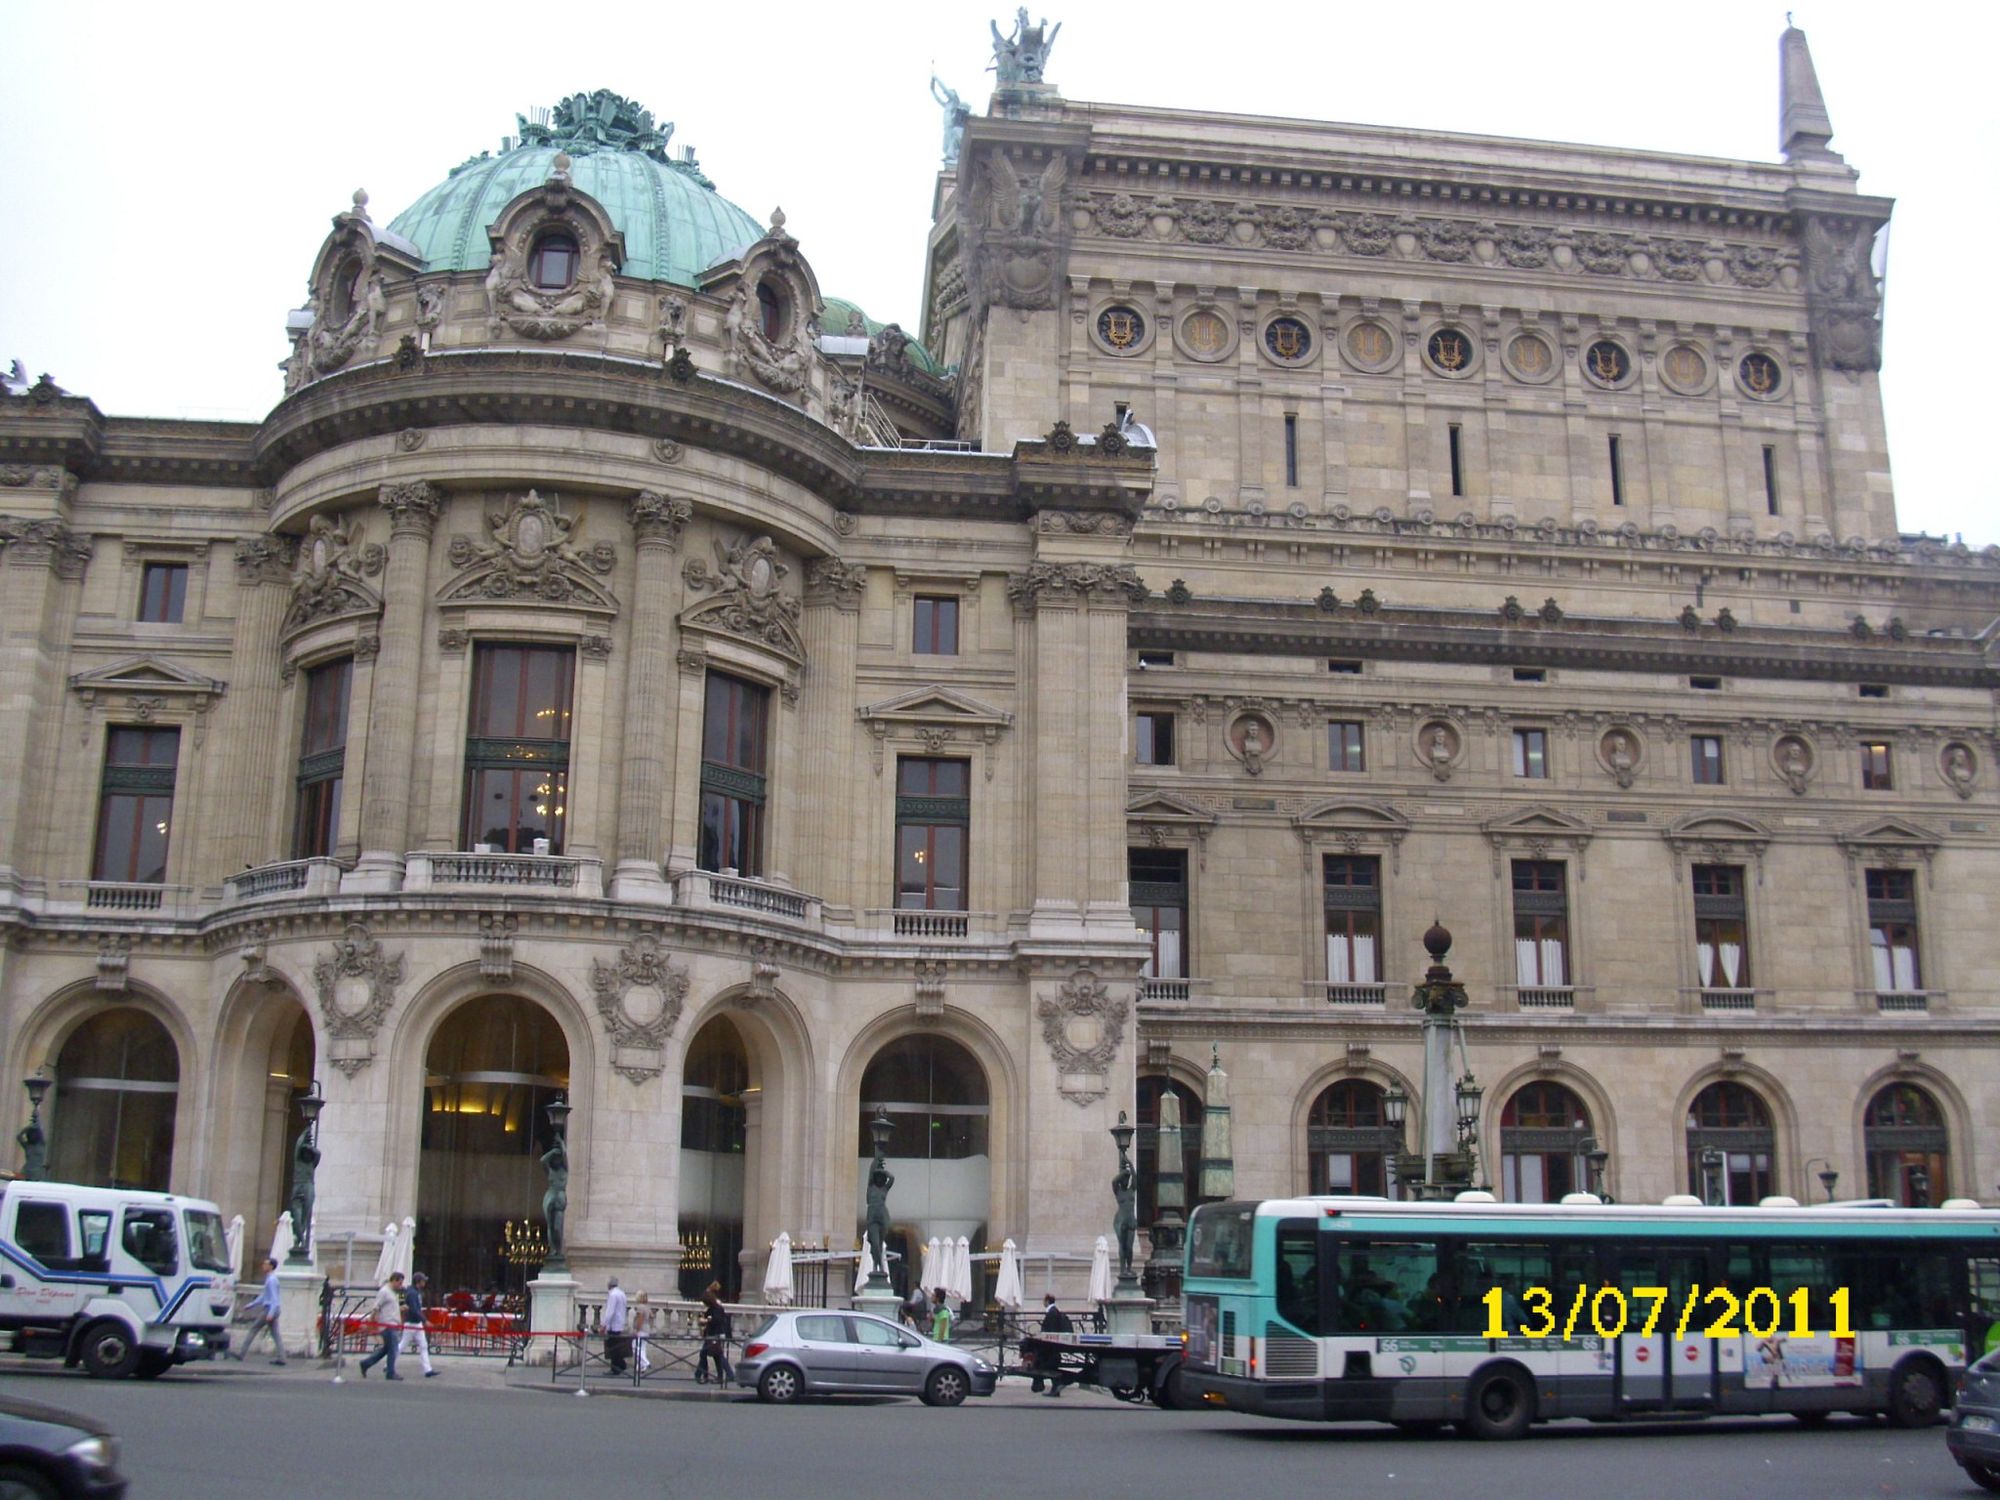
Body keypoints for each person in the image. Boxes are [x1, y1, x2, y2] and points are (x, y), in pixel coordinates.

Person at [232, 1257, 286, 1364]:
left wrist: (270, 1313)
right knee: (275, 1334)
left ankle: (241, 1353)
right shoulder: (271, 1279)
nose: (263, 1266)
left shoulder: (271, 1280)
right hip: (273, 1309)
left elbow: (274, 1298)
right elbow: (264, 1296)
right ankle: (282, 1357)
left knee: (254, 1329)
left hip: (269, 1309)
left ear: (271, 1266)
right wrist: (251, 1305)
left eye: (266, 1264)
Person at [357, 1272, 405, 1379]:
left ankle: (366, 1363)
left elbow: (389, 1308)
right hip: (387, 1324)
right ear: (394, 1280)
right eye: (400, 1283)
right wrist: (371, 1320)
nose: (401, 1286)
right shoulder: (384, 1292)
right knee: (393, 1349)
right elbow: (376, 1306)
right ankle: (390, 1372)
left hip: (392, 1323)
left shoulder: (392, 1292)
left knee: (387, 1349)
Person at [1031, 1293, 1073, 1395]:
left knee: (1043, 1363)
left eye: (1044, 1301)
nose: (1043, 1303)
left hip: (1051, 1346)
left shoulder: (1052, 1312)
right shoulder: (1053, 1311)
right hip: (1051, 1347)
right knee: (1047, 1365)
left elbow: (1051, 1330)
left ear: (1047, 1301)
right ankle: (1052, 1387)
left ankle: (1041, 1385)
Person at [401, 1271, 438, 1377]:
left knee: (423, 1345)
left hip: (416, 1322)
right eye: (423, 1281)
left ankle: (428, 1370)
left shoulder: (414, 1292)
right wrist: (424, 1320)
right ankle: (388, 1364)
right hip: (412, 1322)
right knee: (403, 1345)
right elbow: (414, 1309)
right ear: (418, 1281)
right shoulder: (413, 1293)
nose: (424, 1283)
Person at [697, 1283, 733, 1385]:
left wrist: (707, 1320)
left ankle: (702, 1374)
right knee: (717, 1356)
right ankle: (720, 1376)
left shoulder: (717, 1308)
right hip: (712, 1334)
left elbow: (717, 1320)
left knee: (710, 1354)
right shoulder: (713, 1308)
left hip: (715, 1334)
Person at [602, 1276, 630, 1375]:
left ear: (609, 1285)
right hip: (620, 1323)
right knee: (617, 1346)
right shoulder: (622, 1293)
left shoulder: (612, 1295)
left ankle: (616, 1367)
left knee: (612, 1347)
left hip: (613, 1325)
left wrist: (604, 1325)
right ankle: (620, 1365)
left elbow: (610, 1311)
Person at [633, 1291, 651, 1376]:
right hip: (647, 1328)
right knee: (642, 1348)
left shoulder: (640, 1307)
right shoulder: (647, 1307)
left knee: (634, 1346)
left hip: (641, 1329)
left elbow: (640, 1319)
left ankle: (645, 1362)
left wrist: (637, 1329)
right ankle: (641, 1366)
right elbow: (652, 1316)